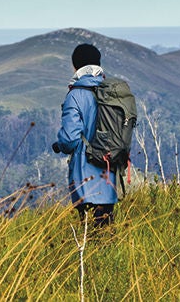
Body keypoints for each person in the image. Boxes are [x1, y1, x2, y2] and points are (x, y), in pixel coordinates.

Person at [52, 43, 117, 227]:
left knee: (89, 230)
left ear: (76, 66)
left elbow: (70, 139)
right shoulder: (111, 92)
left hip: (85, 172)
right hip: (109, 171)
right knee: (107, 227)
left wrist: (59, 144)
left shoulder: (75, 96)